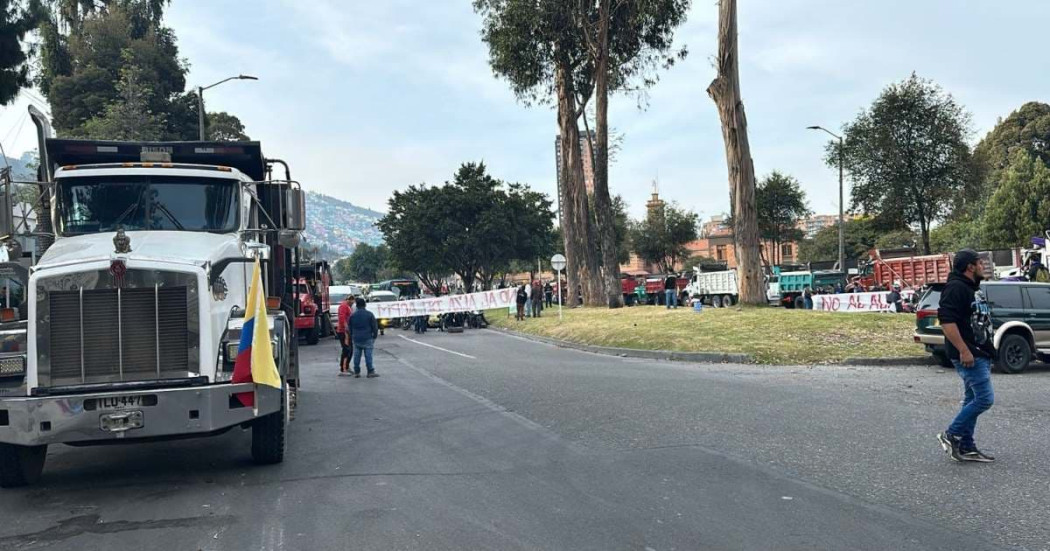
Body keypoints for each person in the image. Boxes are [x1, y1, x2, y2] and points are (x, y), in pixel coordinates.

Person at [936, 249, 995, 463]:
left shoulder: (971, 287)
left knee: (972, 398)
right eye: (980, 263)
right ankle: (951, 434)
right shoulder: (956, 287)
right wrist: (964, 350)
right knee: (985, 399)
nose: (983, 266)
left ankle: (967, 446)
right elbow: (946, 321)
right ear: (970, 266)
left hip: (980, 351)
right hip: (969, 354)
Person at [349, 297, 380, 378]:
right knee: (368, 356)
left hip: (356, 338)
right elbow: (374, 327)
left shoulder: (353, 316)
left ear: (357, 306)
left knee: (356, 356)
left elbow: (350, 327)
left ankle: (356, 372)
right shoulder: (369, 314)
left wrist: (352, 335)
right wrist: (375, 336)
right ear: (365, 305)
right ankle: (370, 371)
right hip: (367, 337)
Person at [336, 294, 354, 376]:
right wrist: (346, 327)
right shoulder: (344, 306)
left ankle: (346, 366)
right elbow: (342, 318)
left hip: (347, 331)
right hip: (344, 331)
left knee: (350, 349)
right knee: (347, 349)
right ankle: (343, 369)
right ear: (348, 300)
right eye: (351, 301)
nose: (352, 303)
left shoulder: (348, 306)